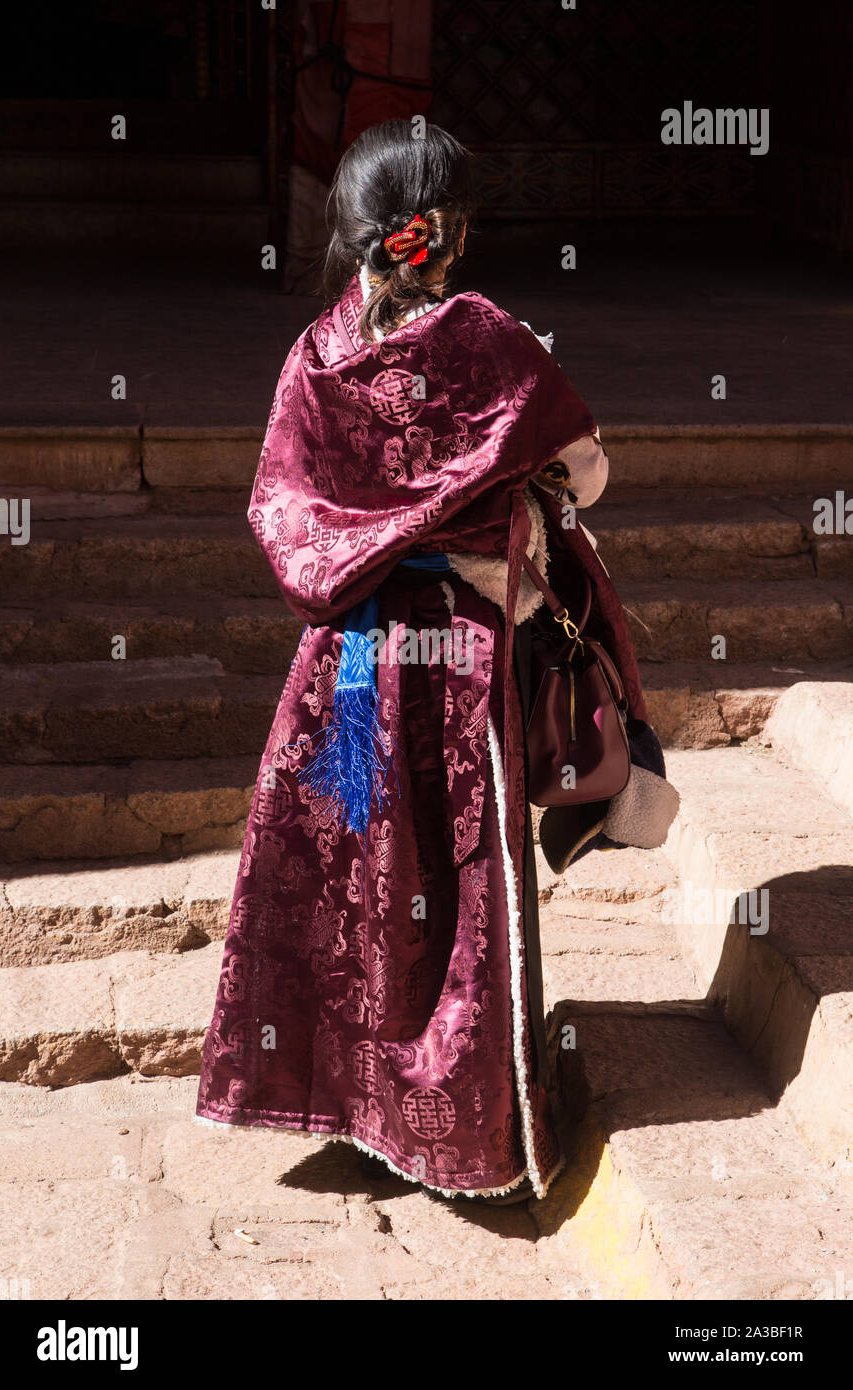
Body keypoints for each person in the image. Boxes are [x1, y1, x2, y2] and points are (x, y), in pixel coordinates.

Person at [196, 119, 677, 1205]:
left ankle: (349, 1106)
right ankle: (459, 1124)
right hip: (460, 657)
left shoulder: (316, 352)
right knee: (455, 882)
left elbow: (281, 512)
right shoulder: (483, 337)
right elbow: (583, 471)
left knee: (356, 873)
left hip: (348, 665)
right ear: (445, 236)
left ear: (352, 230)